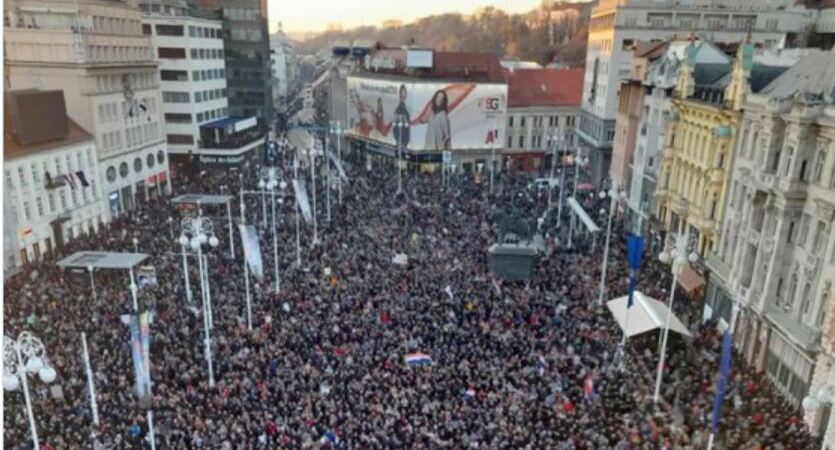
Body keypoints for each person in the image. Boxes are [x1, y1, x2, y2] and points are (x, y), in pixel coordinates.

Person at [392, 84, 411, 149]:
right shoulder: (398, 109)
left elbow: (407, 125)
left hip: (405, 138)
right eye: (402, 93)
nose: (403, 95)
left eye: (404, 93)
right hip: (401, 137)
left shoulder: (407, 106)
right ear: (400, 95)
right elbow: (395, 126)